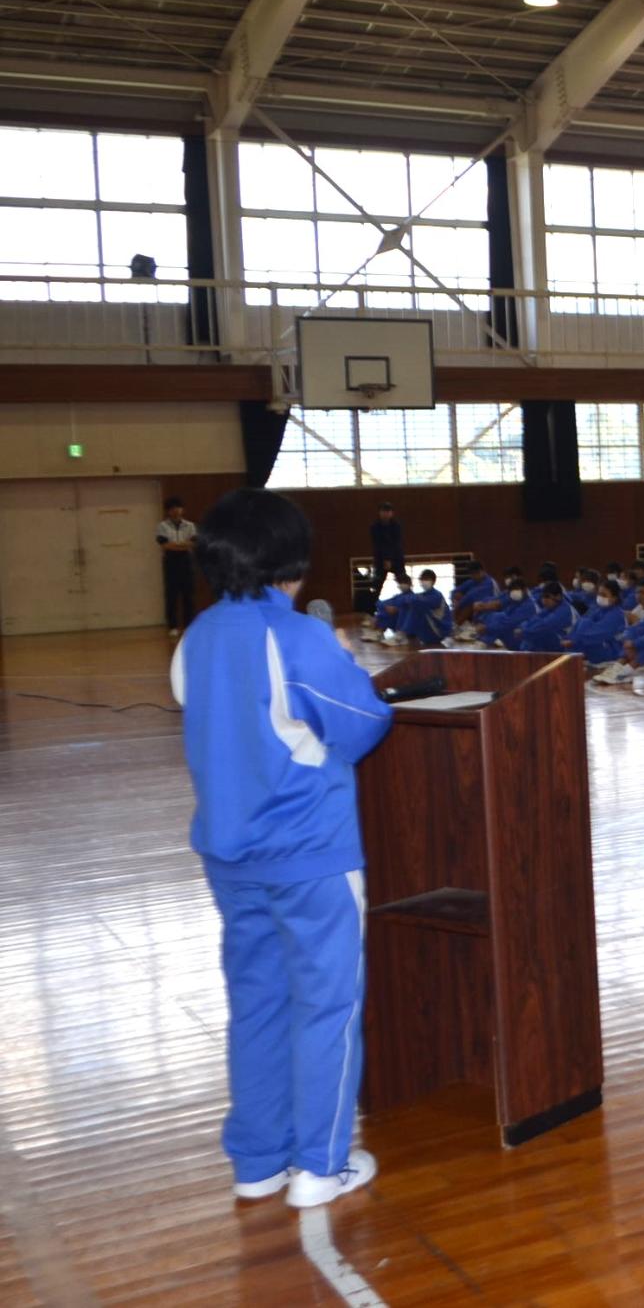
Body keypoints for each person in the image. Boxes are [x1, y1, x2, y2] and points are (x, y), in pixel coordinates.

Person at [172, 487, 390, 1208]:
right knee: (327, 1003)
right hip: (310, 854)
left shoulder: (196, 635)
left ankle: (258, 1160)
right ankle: (320, 1164)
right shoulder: (296, 636)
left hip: (230, 857)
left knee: (258, 1002)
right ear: (291, 559)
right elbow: (361, 724)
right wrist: (343, 657)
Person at [157, 495, 198, 636]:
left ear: (182, 510)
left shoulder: (190, 525)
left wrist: (178, 545)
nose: (176, 511)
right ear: (168, 511)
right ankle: (172, 626)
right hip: (171, 562)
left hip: (186, 561)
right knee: (171, 595)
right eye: (172, 508)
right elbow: (165, 545)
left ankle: (189, 625)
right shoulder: (162, 526)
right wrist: (182, 545)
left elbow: (193, 543)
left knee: (188, 595)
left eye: (178, 508)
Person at [368, 502, 405, 599]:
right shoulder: (375, 527)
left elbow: (396, 544)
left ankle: (408, 604)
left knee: (403, 583)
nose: (386, 514)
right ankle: (373, 607)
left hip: (396, 559)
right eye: (384, 511)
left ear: (392, 513)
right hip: (380, 560)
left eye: (388, 511)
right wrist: (385, 559)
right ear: (379, 512)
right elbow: (378, 544)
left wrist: (390, 559)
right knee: (376, 586)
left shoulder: (396, 526)